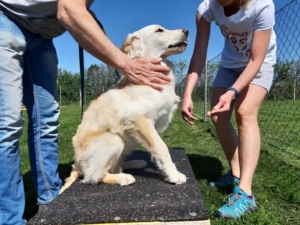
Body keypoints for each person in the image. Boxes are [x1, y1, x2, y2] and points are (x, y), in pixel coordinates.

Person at [0, 0, 171, 224]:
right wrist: (125, 64)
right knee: (8, 124)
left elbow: (78, 10)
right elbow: (69, 10)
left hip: (43, 36)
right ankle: (11, 220)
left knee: (47, 120)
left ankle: (51, 200)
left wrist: (94, 25)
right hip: (6, 19)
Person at [181, 0, 276, 219]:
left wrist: (233, 91)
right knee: (219, 117)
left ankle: (245, 193)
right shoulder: (206, 9)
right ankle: (235, 174)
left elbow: (255, 59)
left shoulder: (262, 5)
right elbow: (199, 54)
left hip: (259, 63)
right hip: (230, 64)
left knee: (244, 113)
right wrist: (186, 94)